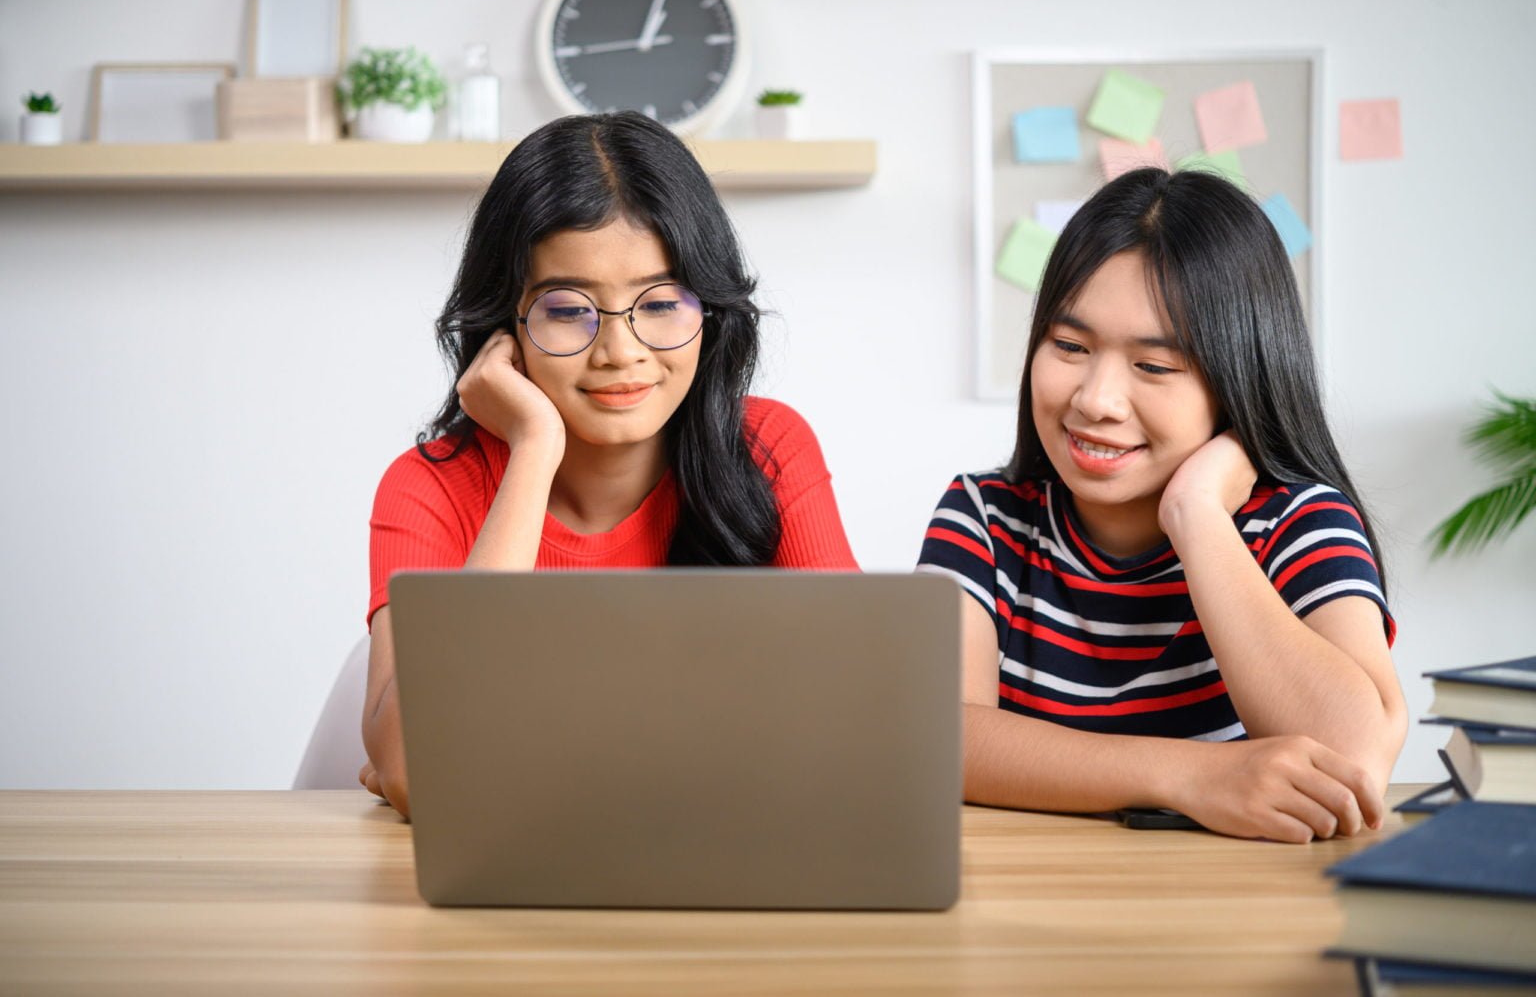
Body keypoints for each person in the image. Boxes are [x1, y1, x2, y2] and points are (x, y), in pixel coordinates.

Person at [362, 113, 859, 818]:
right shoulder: (429, 488)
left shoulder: (770, 449)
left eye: (658, 303)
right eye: (568, 309)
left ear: (710, 311)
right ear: (504, 329)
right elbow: (417, 769)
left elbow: (863, 726)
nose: (620, 351)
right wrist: (532, 447)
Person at [918, 168, 1406, 844]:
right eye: (1069, 347)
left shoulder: (1296, 522)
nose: (1095, 400)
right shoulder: (984, 518)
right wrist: (1193, 775)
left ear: (1240, 378)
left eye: (1154, 366)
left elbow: (1352, 759)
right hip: (1027, 904)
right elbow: (937, 736)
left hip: (1235, 914)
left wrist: (1199, 515)